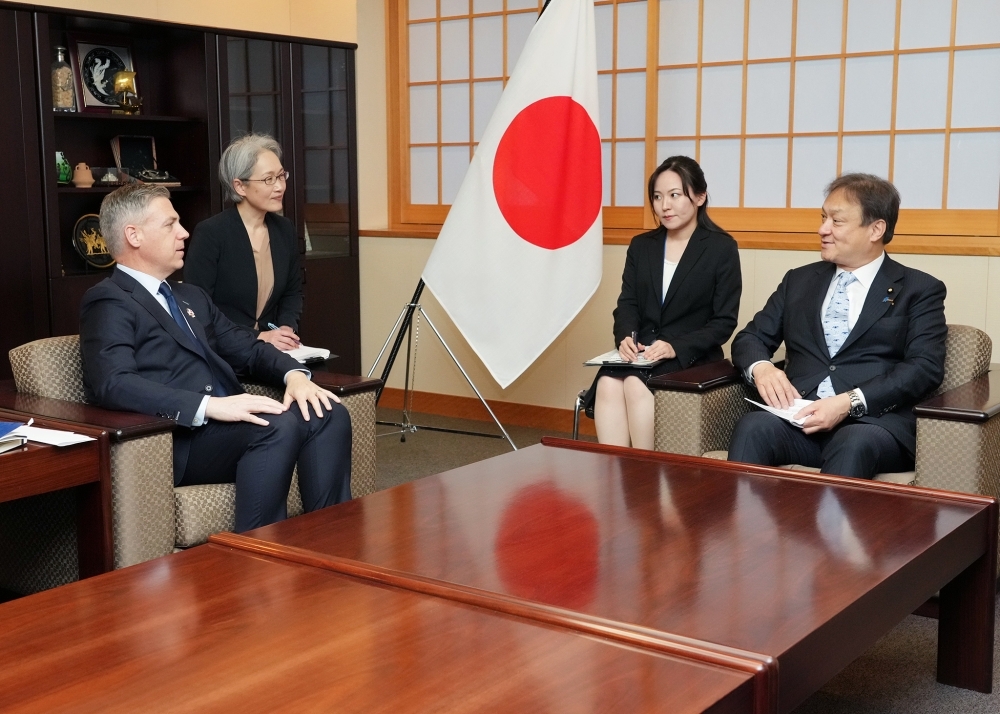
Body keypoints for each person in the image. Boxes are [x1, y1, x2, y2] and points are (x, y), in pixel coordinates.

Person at [80, 183, 352, 531]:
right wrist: (209, 406)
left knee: (327, 413)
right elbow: (113, 383)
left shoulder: (190, 296)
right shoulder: (109, 300)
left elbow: (247, 347)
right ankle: (262, 560)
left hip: (230, 424)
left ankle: (329, 545)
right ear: (133, 235)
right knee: (276, 426)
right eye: (170, 224)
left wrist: (295, 376)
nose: (184, 232)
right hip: (183, 437)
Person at [728, 173, 947, 479]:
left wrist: (848, 402)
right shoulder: (799, 280)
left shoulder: (919, 288)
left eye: (837, 221)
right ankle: (739, 525)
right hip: (799, 418)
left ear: (876, 229)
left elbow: (924, 367)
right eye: (823, 217)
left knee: (853, 442)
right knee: (753, 427)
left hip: (871, 424)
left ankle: (826, 530)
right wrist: (762, 367)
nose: (823, 229)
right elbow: (750, 337)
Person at [592, 156, 742, 449]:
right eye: (658, 197)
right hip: (643, 352)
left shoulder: (721, 248)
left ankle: (645, 476)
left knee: (636, 384)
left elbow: (724, 322)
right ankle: (614, 476)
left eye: (675, 195)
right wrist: (625, 338)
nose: (665, 206)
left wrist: (675, 347)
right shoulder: (642, 246)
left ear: (700, 196)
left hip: (691, 355)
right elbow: (628, 303)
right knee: (608, 383)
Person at [185, 133, 302, 351]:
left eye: (281, 176)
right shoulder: (212, 233)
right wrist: (258, 336)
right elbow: (198, 307)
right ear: (240, 186)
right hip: (223, 349)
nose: (279, 187)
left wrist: (286, 328)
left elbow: (292, 292)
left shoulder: (284, 229)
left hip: (274, 348)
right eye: (268, 179)